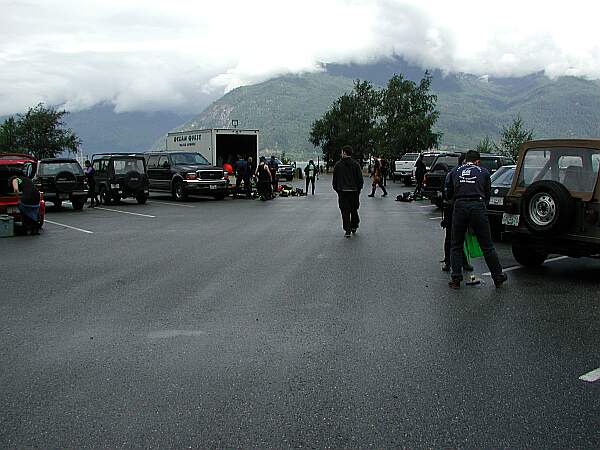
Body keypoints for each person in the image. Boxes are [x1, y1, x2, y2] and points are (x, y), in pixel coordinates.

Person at [446, 150, 507, 289]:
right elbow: (487, 193)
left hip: (460, 205)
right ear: (477, 161)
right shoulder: (484, 172)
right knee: (487, 245)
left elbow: (449, 192)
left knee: (456, 244)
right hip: (477, 205)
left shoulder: (455, 171)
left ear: (465, 160)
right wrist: (481, 206)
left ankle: (456, 279)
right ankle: (498, 277)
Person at [441, 154, 472, 272]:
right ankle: (448, 262)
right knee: (450, 237)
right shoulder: (453, 174)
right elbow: (446, 192)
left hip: (462, 208)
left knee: (462, 237)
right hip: (452, 207)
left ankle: (464, 262)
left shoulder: (466, 174)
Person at [332, 145, 364, 238]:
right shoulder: (356, 164)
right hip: (354, 191)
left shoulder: (338, 165)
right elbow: (360, 179)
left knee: (344, 211)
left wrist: (337, 189)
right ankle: (354, 225)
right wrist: (358, 190)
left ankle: (347, 229)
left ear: (345, 153)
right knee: (354, 209)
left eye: (342, 152)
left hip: (342, 192)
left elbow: (335, 180)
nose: (341, 154)